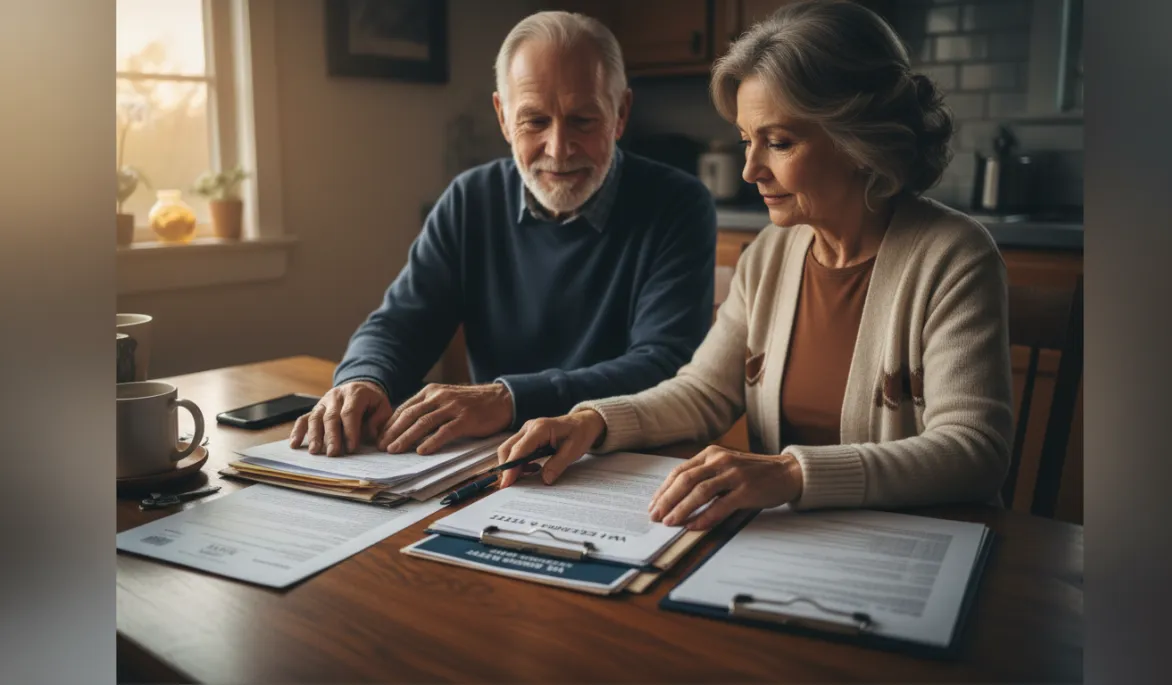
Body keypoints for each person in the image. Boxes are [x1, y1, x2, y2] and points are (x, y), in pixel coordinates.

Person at [495, 0, 1014, 531]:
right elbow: (702, 393)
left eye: (778, 142)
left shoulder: (954, 256)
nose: (749, 169)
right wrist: (591, 420)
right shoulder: (769, 254)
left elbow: (974, 451)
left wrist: (792, 473)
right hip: (789, 539)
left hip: (915, 548)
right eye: (746, 141)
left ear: (860, 140)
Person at [290, 11, 716, 457]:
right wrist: (364, 377)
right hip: (496, 459)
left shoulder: (678, 205)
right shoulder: (470, 198)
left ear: (621, 113)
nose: (558, 148)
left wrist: (508, 399)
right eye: (535, 122)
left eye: (583, 121)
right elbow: (400, 323)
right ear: (503, 117)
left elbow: (663, 367)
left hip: (623, 459)